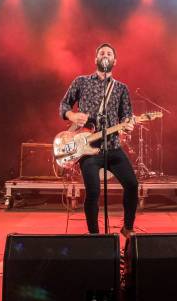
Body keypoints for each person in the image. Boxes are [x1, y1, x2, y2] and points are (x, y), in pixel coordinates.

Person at [59, 43, 138, 236]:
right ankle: (94, 236)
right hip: (88, 149)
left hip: (113, 146)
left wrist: (128, 125)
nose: (105, 55)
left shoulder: (121, 88)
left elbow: (127, 115)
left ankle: (127, 227)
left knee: (132, 185)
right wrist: (70, 115)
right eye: (101, 53)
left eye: (109, 53)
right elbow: (64, 104)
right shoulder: (81, 82)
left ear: (114, 61)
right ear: (96, 59)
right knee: (93, 192)